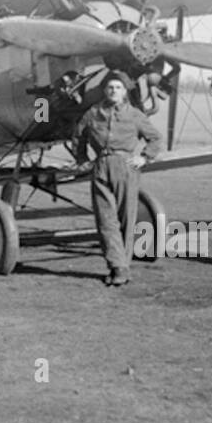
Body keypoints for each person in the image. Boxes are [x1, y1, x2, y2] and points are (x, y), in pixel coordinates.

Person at [73, 70, 162, 287]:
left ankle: (122, 266)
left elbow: (155, 138)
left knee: (125, 218)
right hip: (101, 166)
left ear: (124, 92)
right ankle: (118, 266)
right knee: (105, 220)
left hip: (126, 167)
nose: (114, 91)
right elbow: (78, 136)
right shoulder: (93, 113)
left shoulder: (135, 115)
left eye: (118, 88)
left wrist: (144, 157)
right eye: (110, 87)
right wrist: (83, 159)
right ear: (104, 90)